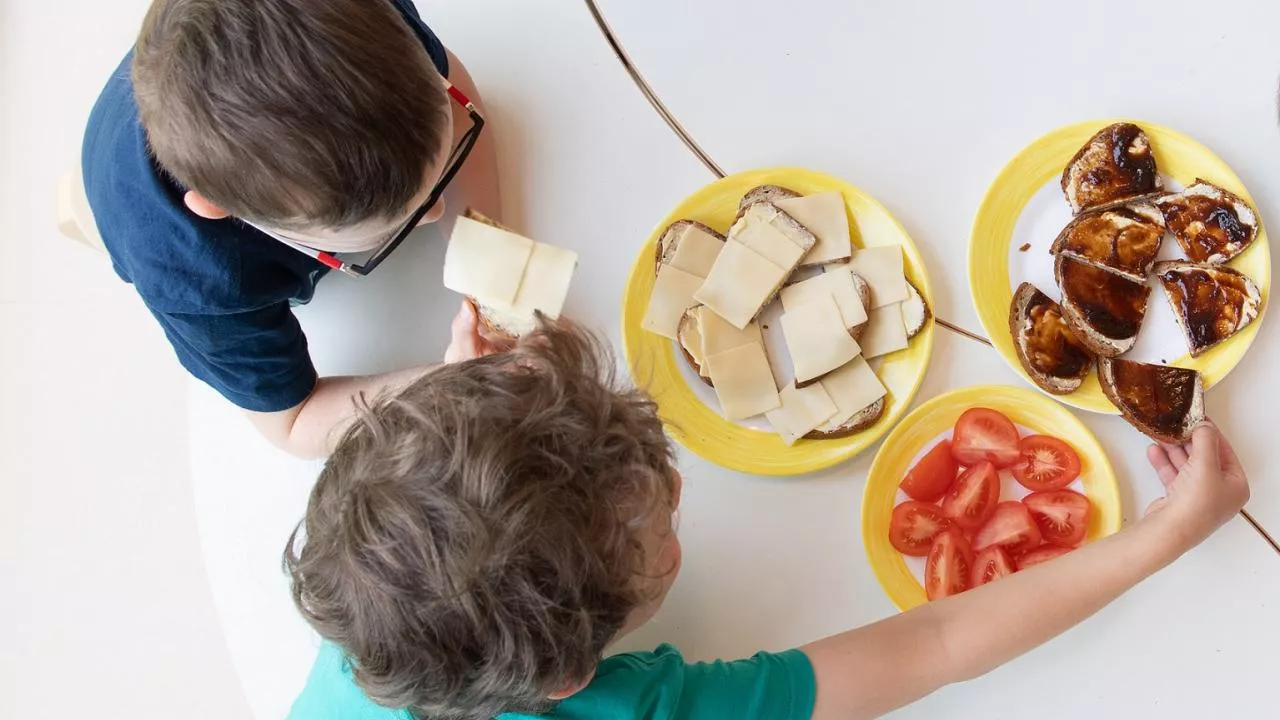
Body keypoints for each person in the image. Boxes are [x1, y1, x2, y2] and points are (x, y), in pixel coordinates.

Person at [282, 320, 1250, 720]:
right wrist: (1158, 536)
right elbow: (943, 640)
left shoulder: (359, 589)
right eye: (658, 536)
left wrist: (476, 393)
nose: (676, 514)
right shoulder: (639, 709)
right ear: (575, 677)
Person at [82, 0, 501, 458]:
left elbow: (451, 81)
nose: (439, 213)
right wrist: (452, 382)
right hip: (128, 201)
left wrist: (493, 256)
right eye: (392, 228)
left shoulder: (365, 26)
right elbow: (293, 422)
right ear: (224, 211)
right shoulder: (199, 278)